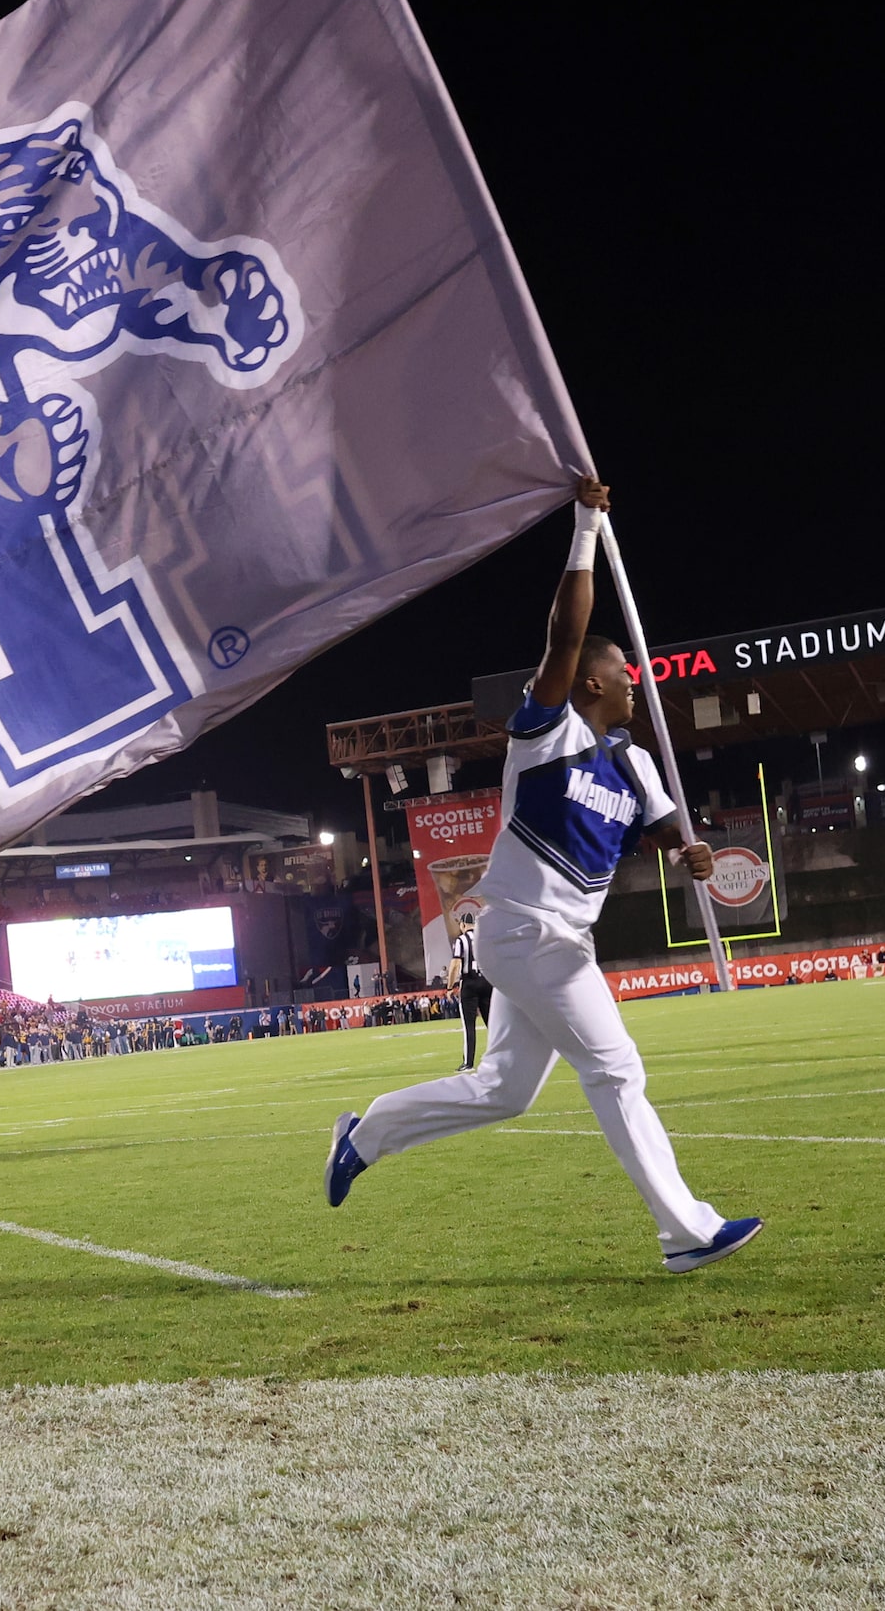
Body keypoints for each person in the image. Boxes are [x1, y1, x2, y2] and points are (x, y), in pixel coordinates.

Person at [323, 474, 762, 1274]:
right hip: (525, 930)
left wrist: (690, 854)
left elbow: (670, 834)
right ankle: (686, 1232)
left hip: (561, 941)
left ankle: (367, 1133)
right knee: (616, 1067)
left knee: (505, 1091)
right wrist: (586, 527)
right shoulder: (547, 732)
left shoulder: (634, 763)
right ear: (593, 681)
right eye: (626, 668)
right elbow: (564, 637)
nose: (637, 677)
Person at [447, 901, 492, 1072]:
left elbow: (455, 965)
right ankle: (503, 1059)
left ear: (463, 924)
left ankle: (468, 1063)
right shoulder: (483, 939)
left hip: (470, 983)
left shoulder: (461, 940)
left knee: (469, 1025)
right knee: (492, 1024)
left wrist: (450, 987)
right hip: (487, 982)